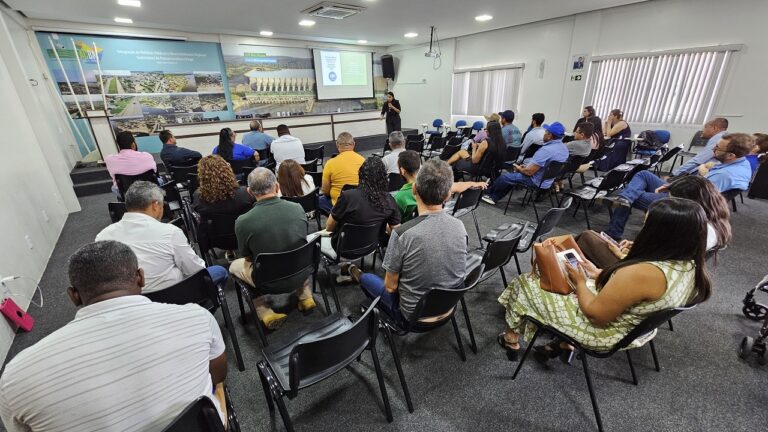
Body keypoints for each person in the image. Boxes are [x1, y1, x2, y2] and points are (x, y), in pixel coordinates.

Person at [0, 241, 228, 432]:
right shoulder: (196, 317)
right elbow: (218, 373)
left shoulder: (15, 377)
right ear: (140, 278)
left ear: (73, 296)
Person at [496, 198, 711, 360]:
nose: (641, 230)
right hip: (634, 328)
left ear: (658, 234)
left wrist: (581, 282)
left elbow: (595, 315)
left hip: (603, 333)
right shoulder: (690, 265)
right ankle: (563, 344)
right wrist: (598, 273)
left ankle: (511, 339)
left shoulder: (646, 273)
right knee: (572, 278)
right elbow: (635, 294)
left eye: (646, 225)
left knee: (527, 283)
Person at [346, 159, 468, 325]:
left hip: (412, 317)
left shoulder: (402, 234)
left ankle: (353, 270)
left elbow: (390, 287)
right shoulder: (460, 226)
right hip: (448, 309)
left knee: (367, 278)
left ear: (414, 189)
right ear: (448, 195)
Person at [602, 133, 753, 240]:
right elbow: (703, 179)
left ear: (731, 155)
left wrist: (676, 186)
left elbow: (696, 196)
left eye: (717, 149)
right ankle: (626, 199)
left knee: (626, 193)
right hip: (680, 190)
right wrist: (673, 185)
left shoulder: (724, 176)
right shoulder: (741, 163)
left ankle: (613, 233)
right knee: (643, 175)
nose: (713, 151)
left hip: (680, 201)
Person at [95, 181, 228, 293]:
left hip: (128, 301)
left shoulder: (103, 236)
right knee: (218, 271)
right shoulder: (170, 232)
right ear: (155, 205)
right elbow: (196, 270)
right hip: (174, 295)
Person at [229, 168, 313, 329]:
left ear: (249, 192)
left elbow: (247, 257)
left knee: (234, 265)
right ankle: (305, 296)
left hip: (268, 282)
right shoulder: (297, 208)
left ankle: (264, 312)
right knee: (295, 249)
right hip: (303, 270)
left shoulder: (243, 221)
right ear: (277, 187)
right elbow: (301, 240)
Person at [324, 157, 400, 261]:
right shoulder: (389, 200)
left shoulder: (348, 196)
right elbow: (396, 231)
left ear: (361, 174)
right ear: (384, 177)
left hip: (342, 250)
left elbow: (329, 227)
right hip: (371, 247)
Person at [481, 122, 569, 205]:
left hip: (535, 181)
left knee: (505, 176)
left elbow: (529, 172)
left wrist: (520, 169)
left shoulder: (546, 150)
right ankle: (493, 197)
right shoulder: (564, 149)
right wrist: (526, 167)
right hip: (548, 181)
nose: (544, 134)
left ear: (550, 135)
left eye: (546, 132)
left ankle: (487, 192)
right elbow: (547, 166)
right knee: (512, 178)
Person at [394, 150, 487, 222]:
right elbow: (458, 186)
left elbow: (395, 222)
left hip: (410, 233)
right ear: (420, 166)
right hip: (436, 225)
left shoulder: (400, 197)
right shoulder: (436, 183)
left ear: (402, 171)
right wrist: (474, 183)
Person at [320, 132, 365, 211]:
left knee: (320, 200)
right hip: (360, 203)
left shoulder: (330, 163)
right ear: (354, 144)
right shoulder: (363, 160)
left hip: (338, 206)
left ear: (337, 145)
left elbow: (325, 190)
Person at [105, 131, 157, 196]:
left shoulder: (109, 160)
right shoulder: (147, 156)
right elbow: (155, 171)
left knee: (114, 188)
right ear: (133, 144)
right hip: (150, 191)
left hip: (128, 194)